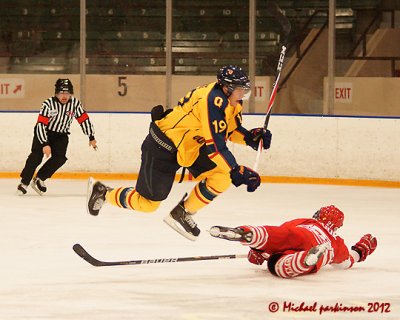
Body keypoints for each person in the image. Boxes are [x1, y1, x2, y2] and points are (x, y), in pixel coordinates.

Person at [87, 65, 272, 241]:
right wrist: (236, 170)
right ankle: (104, 193)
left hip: (190, 146)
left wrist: (249, 137)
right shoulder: (212, 102)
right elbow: (215, 146)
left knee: (222, 176)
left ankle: (182, 213)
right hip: (163, 145)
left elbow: (229, 131)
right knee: (147, 204)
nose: (243, 94)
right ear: (226, 88)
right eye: (239, 89)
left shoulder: (232, 103)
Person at [209, 205, 377, 278]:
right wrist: (360, 250)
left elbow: (280, 235)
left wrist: (259, 250)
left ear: (318, 215)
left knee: (279, 238)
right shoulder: (336, 242)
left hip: (300, 234)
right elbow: (346, 263)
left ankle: (248, 234)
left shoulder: (307, 222)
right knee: (279, 265)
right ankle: (303, 260)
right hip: (320, 248)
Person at [17, 79, 97, 196]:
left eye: (67, 93)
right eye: (61, 93)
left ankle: (39, 178)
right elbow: (40, 125)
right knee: (36, 157)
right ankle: (24, 183)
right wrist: (45, 143)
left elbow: (83, 119)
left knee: (60, 158)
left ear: (71, 94)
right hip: (44, 132)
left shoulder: (75, 104)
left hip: (61, 135)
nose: (64, 96)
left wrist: (91, 136)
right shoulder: (48, 104)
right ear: (56, 93)